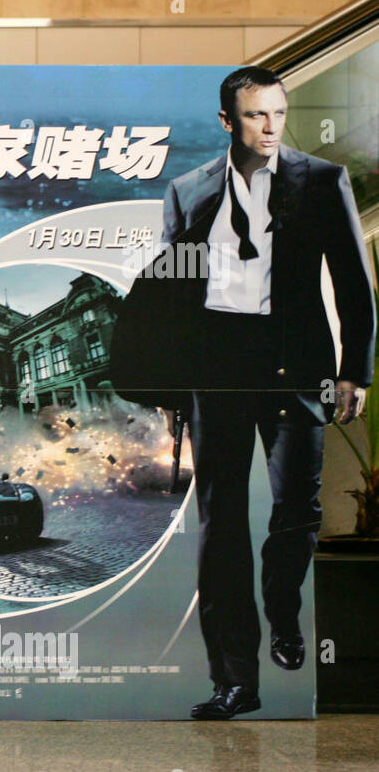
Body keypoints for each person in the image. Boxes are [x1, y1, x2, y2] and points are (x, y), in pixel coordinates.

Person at [160, 67, 375, 720]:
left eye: (278, 113)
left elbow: (352, 279)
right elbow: (171, 297)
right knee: (220, 527)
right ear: (228, 122)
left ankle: (283, 611)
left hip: (295, 368)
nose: (271, 126)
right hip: (217, 372)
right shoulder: (188, 192)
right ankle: (234, 679)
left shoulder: (319, 180)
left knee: (295, 512)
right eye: (256, 116)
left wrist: (353, 370)